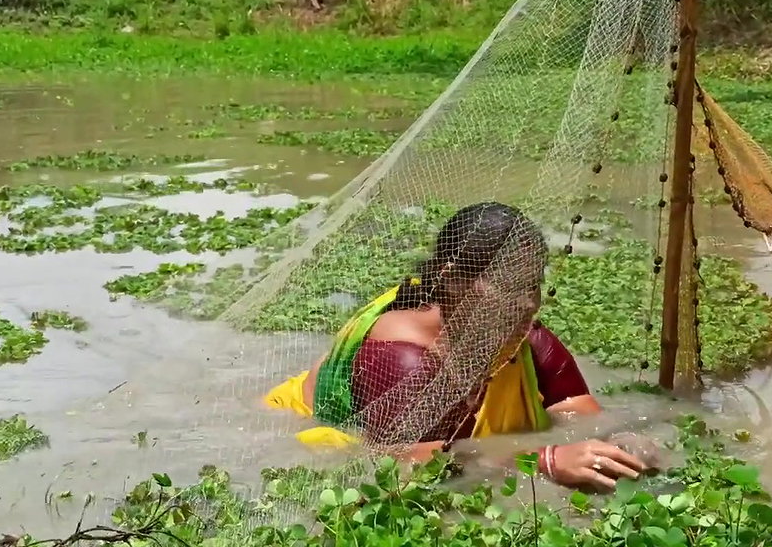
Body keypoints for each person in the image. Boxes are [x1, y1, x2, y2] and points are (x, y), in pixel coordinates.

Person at [264, 201, 650, 493]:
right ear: (451, 280)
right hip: (290, 425)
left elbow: (583, 417)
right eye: (508, 287)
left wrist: (622, 444)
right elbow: (410, 462)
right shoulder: (403, 358)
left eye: (531, 286)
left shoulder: (524, 342)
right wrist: (545, 461)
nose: (527, 304)